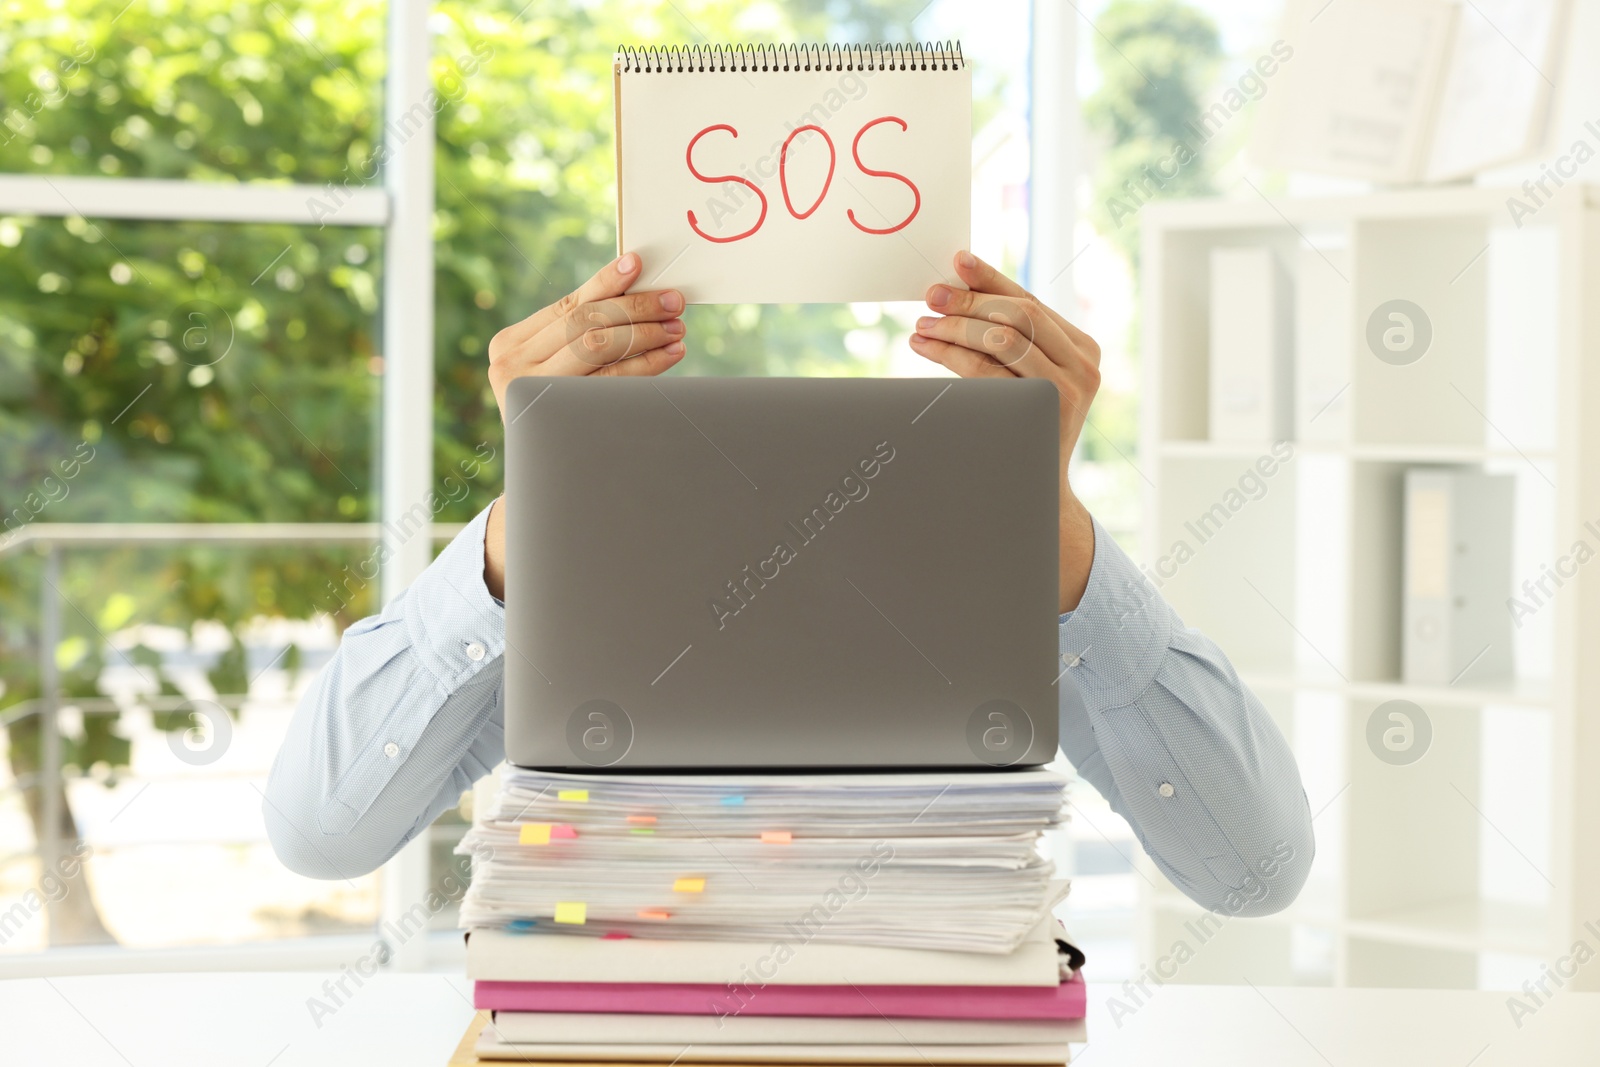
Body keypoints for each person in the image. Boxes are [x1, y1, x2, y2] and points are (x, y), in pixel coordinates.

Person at [264, 250, 1314, 916]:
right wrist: (530, 516)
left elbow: (1254, 869)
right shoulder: (581, 576)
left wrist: (1048, 527)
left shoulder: (991, 560)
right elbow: (321, 831)